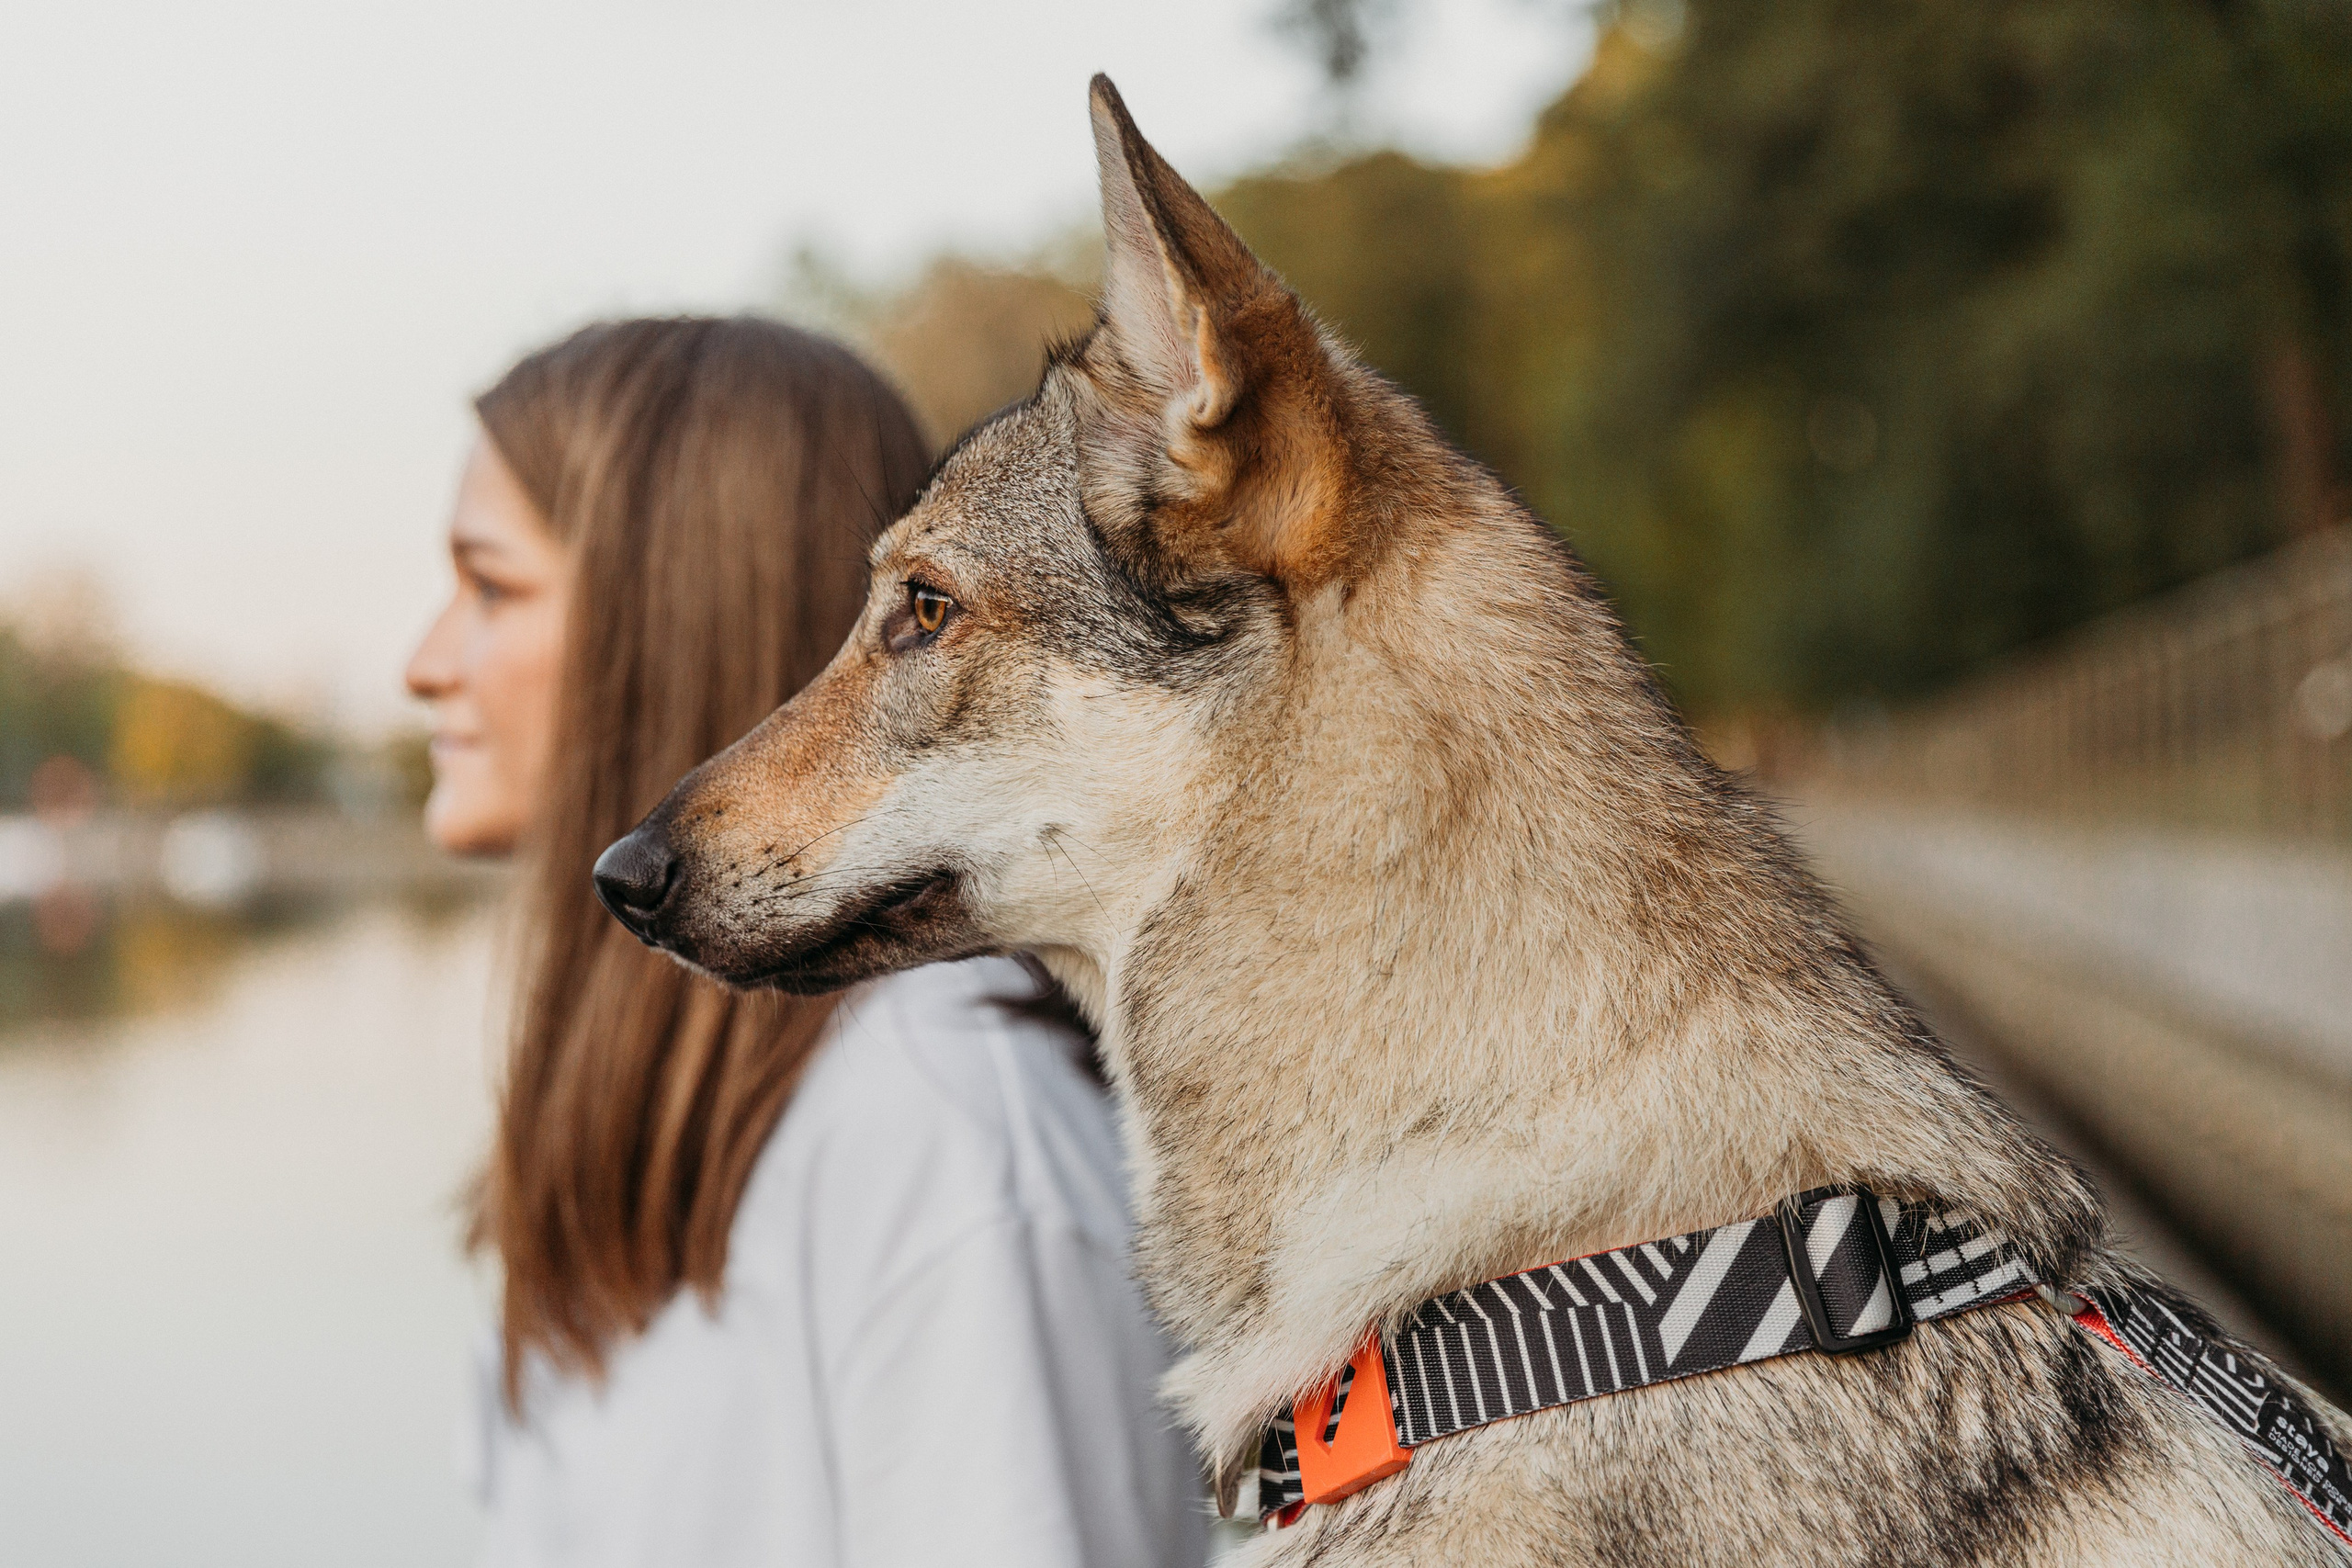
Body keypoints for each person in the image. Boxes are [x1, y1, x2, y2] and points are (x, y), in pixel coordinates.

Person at [402, 316, 1205, 1568]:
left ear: (664, 619)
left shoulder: (939, 1128)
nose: (422, 664)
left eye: (491, 589)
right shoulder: (627, 1145)